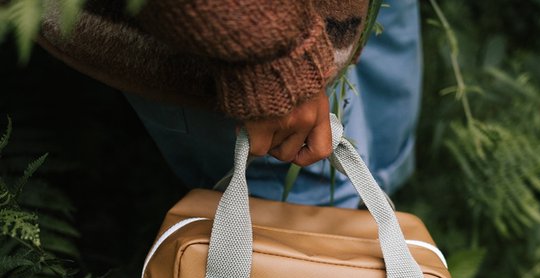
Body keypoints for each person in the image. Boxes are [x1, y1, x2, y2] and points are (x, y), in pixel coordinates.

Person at [38, 0, 422, 207]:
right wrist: (273, 63)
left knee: (379, 156)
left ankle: (376, 232)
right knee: (297, 195)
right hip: (232, 37)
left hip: (331, 19)